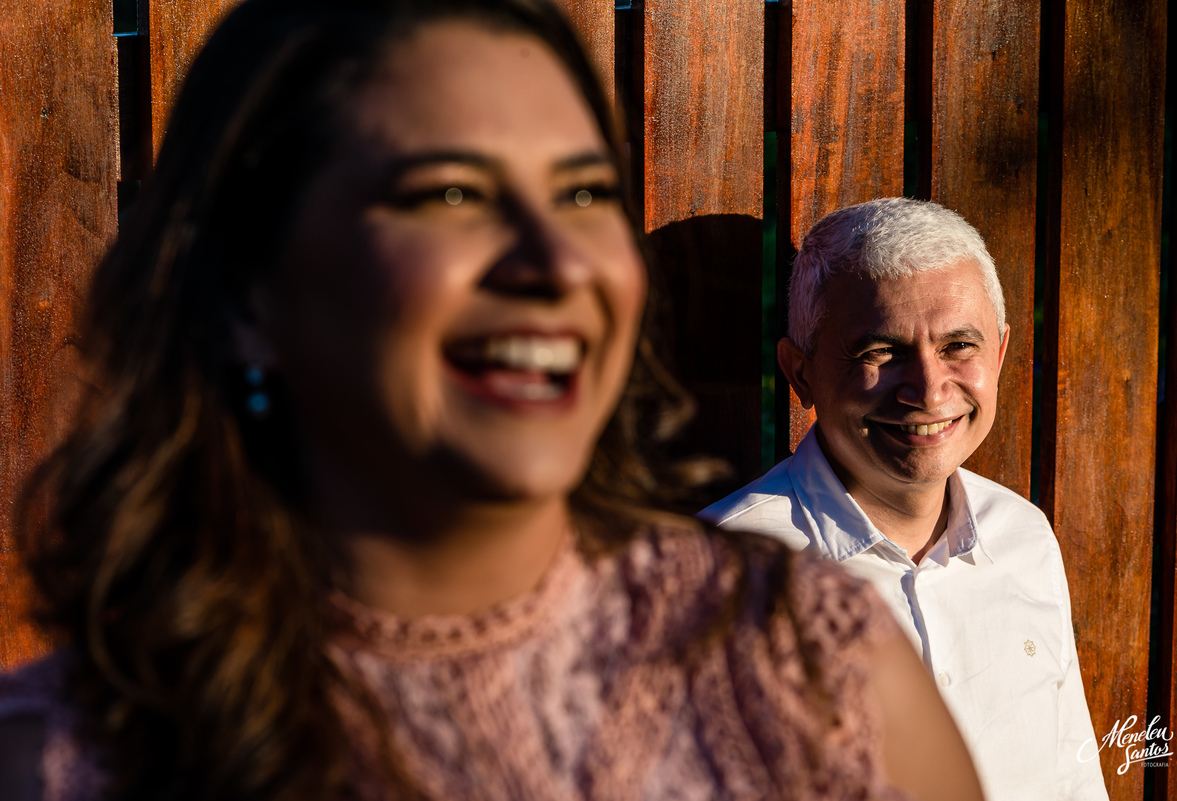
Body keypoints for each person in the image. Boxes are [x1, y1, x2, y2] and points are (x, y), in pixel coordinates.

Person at [0, 4, 983, 800]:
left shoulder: (813, 669)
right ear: (252, 294)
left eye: (583, 194)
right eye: (450, 195)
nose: (556, 263)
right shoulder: (64, 758)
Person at [701, 197, 1108, 801]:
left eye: (958, 347)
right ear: (800, 373)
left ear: (997, 355)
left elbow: (1072, 783)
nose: (927, 388)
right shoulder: (718, 578)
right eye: (880, 352)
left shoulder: (1024, 538)